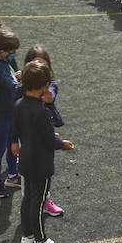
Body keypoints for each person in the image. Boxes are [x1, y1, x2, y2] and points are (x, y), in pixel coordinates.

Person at [13, 58, 74, 243]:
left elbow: (16, 128)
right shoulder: (41, 111)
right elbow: (48, 140)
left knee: (27, 200)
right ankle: (41, 242)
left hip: (25, 160)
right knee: (38, 203)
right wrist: (62, 144)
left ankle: (27, 237)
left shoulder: (20, 104)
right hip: (41, 164)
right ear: (44, 86)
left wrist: (14, 142)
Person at [22, 46, 69, 218]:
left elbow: (50, 96)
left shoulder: (50, 84)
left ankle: (45, 199)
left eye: (43, 64)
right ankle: (32, 203)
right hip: (28, 133)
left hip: (44, 130)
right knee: (30, 172)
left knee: (44, 168)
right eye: (35, 64)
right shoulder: (22, 87)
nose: (39, 68)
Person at [0, 27, 22, 198]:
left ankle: (12, 176)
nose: (14, 55)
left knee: (12, 145)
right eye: (12, 52)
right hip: (1, 115)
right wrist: (30, 81)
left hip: (10, 113)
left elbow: (11, 80)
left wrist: (17, 75)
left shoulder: (2, 63)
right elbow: (13, 87)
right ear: (1, 52)